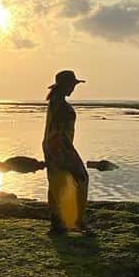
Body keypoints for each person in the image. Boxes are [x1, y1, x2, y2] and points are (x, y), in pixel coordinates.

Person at [43, 70, 88, 233]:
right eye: (72, 85)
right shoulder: (60, 105)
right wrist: (65, 155)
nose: (73, 88)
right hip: (61, 148)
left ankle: (58, 222)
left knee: (57, 183)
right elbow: (59, 133)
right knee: (81, 178)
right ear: (65, 86)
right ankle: (77, 221)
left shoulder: (55, 102)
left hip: (52, 147)